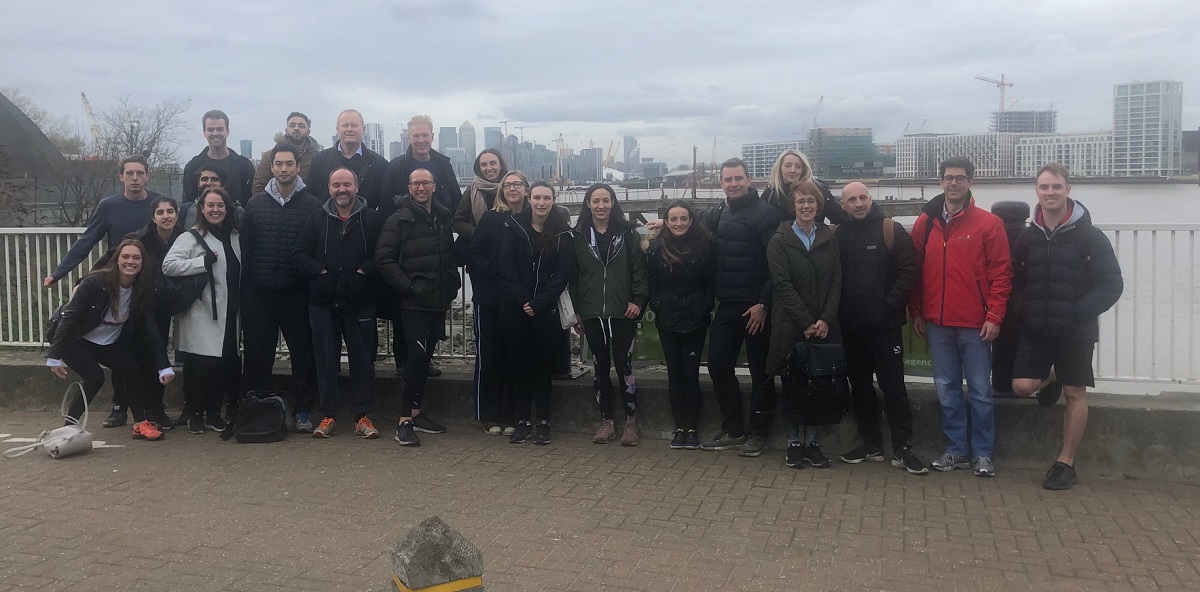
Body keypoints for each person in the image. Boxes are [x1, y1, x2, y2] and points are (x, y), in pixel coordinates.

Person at [1010, 163, 1123, 490]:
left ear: (1068, 189)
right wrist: (1022, 310)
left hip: (1075, 328)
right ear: (1036, 191)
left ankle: (1066, 462)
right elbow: (1016, 281)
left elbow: (1112, 284)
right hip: (1036, 327)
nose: (1050, 193)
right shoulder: (1027, 236)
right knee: (1020, 386)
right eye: (1044, 187)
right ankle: (1053, 377)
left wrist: (1078, 312)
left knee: (1076, 392)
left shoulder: (1090, 236)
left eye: (1056, 187)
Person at [910, 156, 1012, 478]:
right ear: (940, 181)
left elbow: (1002, 274)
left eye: (960, 178)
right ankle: (955, 451)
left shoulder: (988, 223)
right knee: (947, 389)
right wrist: (916, 310)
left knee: (981, 390)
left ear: (971, 182)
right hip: (937, 323)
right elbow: (913, 272)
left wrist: (994, 315)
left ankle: (982, 454)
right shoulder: (924, 223)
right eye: (948, 178)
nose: (953, 183)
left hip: (975, 324)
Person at [43, 155, 163, 428]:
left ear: (147, 176)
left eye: (140, 173)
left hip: (142, 285)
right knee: (103, 359)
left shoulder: (157, 204)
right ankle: (116, 408)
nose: (135, 178)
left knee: (129, 353)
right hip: (111, 285)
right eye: (129, 173)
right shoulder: (109, 206)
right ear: (120, 176)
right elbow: (87, 241)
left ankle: (147, 413)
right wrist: (60, 272)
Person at [697, 158, 790, 456]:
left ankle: (758, 434)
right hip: (728, 304)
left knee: (762, 372)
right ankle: (734, 428)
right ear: (721, 183)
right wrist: (663, 223)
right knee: (718, 365)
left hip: (758, 307)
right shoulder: (718, 213)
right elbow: (689, 223)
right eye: (728, 179)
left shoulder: (767, 215)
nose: (734, 184)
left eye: (738, 178)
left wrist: (763, 303)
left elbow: (776, 266)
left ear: (750, 180)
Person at [832, 182, 927, 475]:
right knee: (860, 387)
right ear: (843, 205)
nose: (858, 204)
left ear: (870, 201)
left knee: (893, 387)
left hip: (885, 326)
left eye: (863, 198)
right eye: (852, 200)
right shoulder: (836, 234)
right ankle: (871, 443)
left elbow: (909, 270)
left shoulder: (891, 230)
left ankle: (902, 447)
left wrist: (888, 304)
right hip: (850, 327)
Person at [45, 239, 175, 441]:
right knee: (95, 377)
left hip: (106, 341)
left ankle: (140, 424)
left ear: (142, 262)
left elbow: (151, 330)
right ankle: (68, 428)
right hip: (75, 338)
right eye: (125, 257)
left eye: (136, 257)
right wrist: (53, 355)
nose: (130, 261)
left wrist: (164, 366)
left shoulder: (142, 288)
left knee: (131, 369)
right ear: (117, 260)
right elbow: (70, 316)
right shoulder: (95, 282)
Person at [293, 167, 385, 440]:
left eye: (347, 184)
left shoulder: (372, 219)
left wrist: (363, 272)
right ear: (329, 188)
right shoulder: (316, 219)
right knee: (325, 361)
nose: (341, 189)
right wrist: (320, 272)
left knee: (363, 361)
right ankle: (329, 414)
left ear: (356, 186)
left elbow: (384, 253)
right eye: (336, 185)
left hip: (360, 302)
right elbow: (298, 254)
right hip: (322, 303)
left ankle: (363, 416)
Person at [239, 144, 323, 431]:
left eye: (289, 164)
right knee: (257, 355)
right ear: (271, 168)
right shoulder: (255, 204)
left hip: (295, 293)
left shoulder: (312, 205)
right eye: (279, 164)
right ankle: (257, 407)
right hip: (259, 292)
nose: (284, 169)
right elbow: (246, 250)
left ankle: (303, 410)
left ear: (298, 168)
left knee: (303, 355)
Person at [375, 168, 460, 447]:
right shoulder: (398, 219)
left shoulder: (443, 217)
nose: (421, 187)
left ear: (434, 186)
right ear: (408, 188)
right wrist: (408, 288)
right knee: (416, 357)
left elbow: (448, 255)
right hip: (412, 302)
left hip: (438, 299)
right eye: (415, 183)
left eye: (425, 182)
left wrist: (451, 285)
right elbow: (384, 259)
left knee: (425, 360)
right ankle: (403, 422)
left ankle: (416, 411)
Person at [765, 181, 842, 469]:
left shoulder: (828, 237)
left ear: (818, 205)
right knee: (792, 385)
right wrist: (807, 321)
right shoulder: (779, 239)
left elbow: (836, 280)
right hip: (790, 324)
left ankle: (813, 443)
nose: (806, 206)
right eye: (801, 202)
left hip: (823, 324)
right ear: (793, 206)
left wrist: (825, 319)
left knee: (818, 386)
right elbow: (782, 285)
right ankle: (793, 443)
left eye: (811, 201)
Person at [90, 195, 184, 430]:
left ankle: (155, 409)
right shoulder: (137, 239)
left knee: (157, 356)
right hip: (134, 303)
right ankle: (119, 406)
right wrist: (85, 281)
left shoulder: (184, 238)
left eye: (170, 211)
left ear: (177, 215)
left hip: (161, 305)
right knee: (126, 355)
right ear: (153, 217)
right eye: (160, 212)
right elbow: (108, 261)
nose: (166, 216)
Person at [489, 180, 573, 445]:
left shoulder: (562, 233)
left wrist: (540, 302)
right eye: (537, 197)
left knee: (542, 367)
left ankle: (544, 422)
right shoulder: (513, 227)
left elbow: (562, 274)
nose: (541, 203)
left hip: (545, 310)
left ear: (553, 200)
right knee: (519, 365)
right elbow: (506, 266)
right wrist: (524, 299)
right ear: (529, 198)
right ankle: (522, 420)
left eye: (546, 198)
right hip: (514, 308)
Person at [567, 183, 648, 446]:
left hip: (622, 311)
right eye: (595, 201)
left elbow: (639, 270)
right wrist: (578, 310)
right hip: (592, 313)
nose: (601, 206)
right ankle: (606, 422)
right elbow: (574, 276)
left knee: (624, 366)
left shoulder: (627, 234)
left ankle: (631, 423)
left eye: (606, 200)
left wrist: (637, 300)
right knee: (600, 367)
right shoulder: (577, 235)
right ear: (588, 204)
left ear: (613, 203)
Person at [162, 187, 241, 434]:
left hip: (229, 311)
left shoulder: (235, 235)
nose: (215, 210)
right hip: (201, 312)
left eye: (220, 205)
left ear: (227, 209)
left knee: (223, 364)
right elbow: (169, 266)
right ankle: (195, 412)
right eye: (210, 205)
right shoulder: (191, 237)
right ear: (202, 209)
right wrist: (200, 263)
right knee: (200, 366)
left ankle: (214, 413)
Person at [460, 171, 529, 436]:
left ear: (525, 189)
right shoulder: (490, 219)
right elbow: (472, 256)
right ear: (501, 191)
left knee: (513, 357)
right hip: (489, 299)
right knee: (488, 356)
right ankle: (487, 414)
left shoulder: (531, 219)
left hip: (518, 300)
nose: (512, 189)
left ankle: (510, 413)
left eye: (517, 185)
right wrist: (498, 270)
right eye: (507, 185)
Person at [643, 200, 714, 450]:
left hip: (696, 317)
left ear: (691, 220)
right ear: (667, 222)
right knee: (674, 375)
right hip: (667, 317)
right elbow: (651, 282)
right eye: (673, 219)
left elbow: (710, 280)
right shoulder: (655, 247)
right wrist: (657, 304)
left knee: (690, 375)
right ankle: (679, 428)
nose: (679, 223)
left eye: (683, 218)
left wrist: (705, 305)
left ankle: (692, 427)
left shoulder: (705, 245)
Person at [379, 115, 464, 219]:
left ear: (432, 137)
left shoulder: (444, 165)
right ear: (408, 138)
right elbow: (385, 208)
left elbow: (457, 202)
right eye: (416, 136)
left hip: (441, 230)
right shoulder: (395, 168)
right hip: (407, 231)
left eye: (425, 135)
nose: (421, 140)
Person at [308, 109, 387, 207]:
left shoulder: (379, 164)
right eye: (345, 125)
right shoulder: (320, 160)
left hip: (366, 221)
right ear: (337, 130)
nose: (349, 129)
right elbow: (311, 196)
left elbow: (384, 202)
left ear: (363, 129)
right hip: (327, 220)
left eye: (354, 125)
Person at [182, 110, 255, 205]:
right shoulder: (193, 167)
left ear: (227, 131)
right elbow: (188, 204)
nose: (215, 133)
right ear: (204, 132)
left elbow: (250, 202)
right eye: (210, 129)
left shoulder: (244, 166)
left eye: (220, 129)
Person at [760, 149, 844, 225]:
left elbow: (839, 218)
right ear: (780, 168)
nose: (793, 170)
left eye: (798, 166)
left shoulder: (818, 191)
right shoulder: (770, 194)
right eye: (788, 165)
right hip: (780, 241)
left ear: (803, 170)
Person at [252, 112, 322, 195]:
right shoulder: (270, 156)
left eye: (301, 126)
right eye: (292, 125)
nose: (296, 128)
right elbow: (259, 187)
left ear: (308, 131)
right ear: (286, 130)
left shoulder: (318, 158)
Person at [453, 149, 507, 242]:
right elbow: (458, 222)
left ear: (500, 165)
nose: (489, 168)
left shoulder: (509, 188)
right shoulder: (472, 189)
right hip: (476, 246)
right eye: (484, 165)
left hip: (505, 245)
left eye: (493, 163)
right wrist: (479, 234)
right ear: (479, 168)